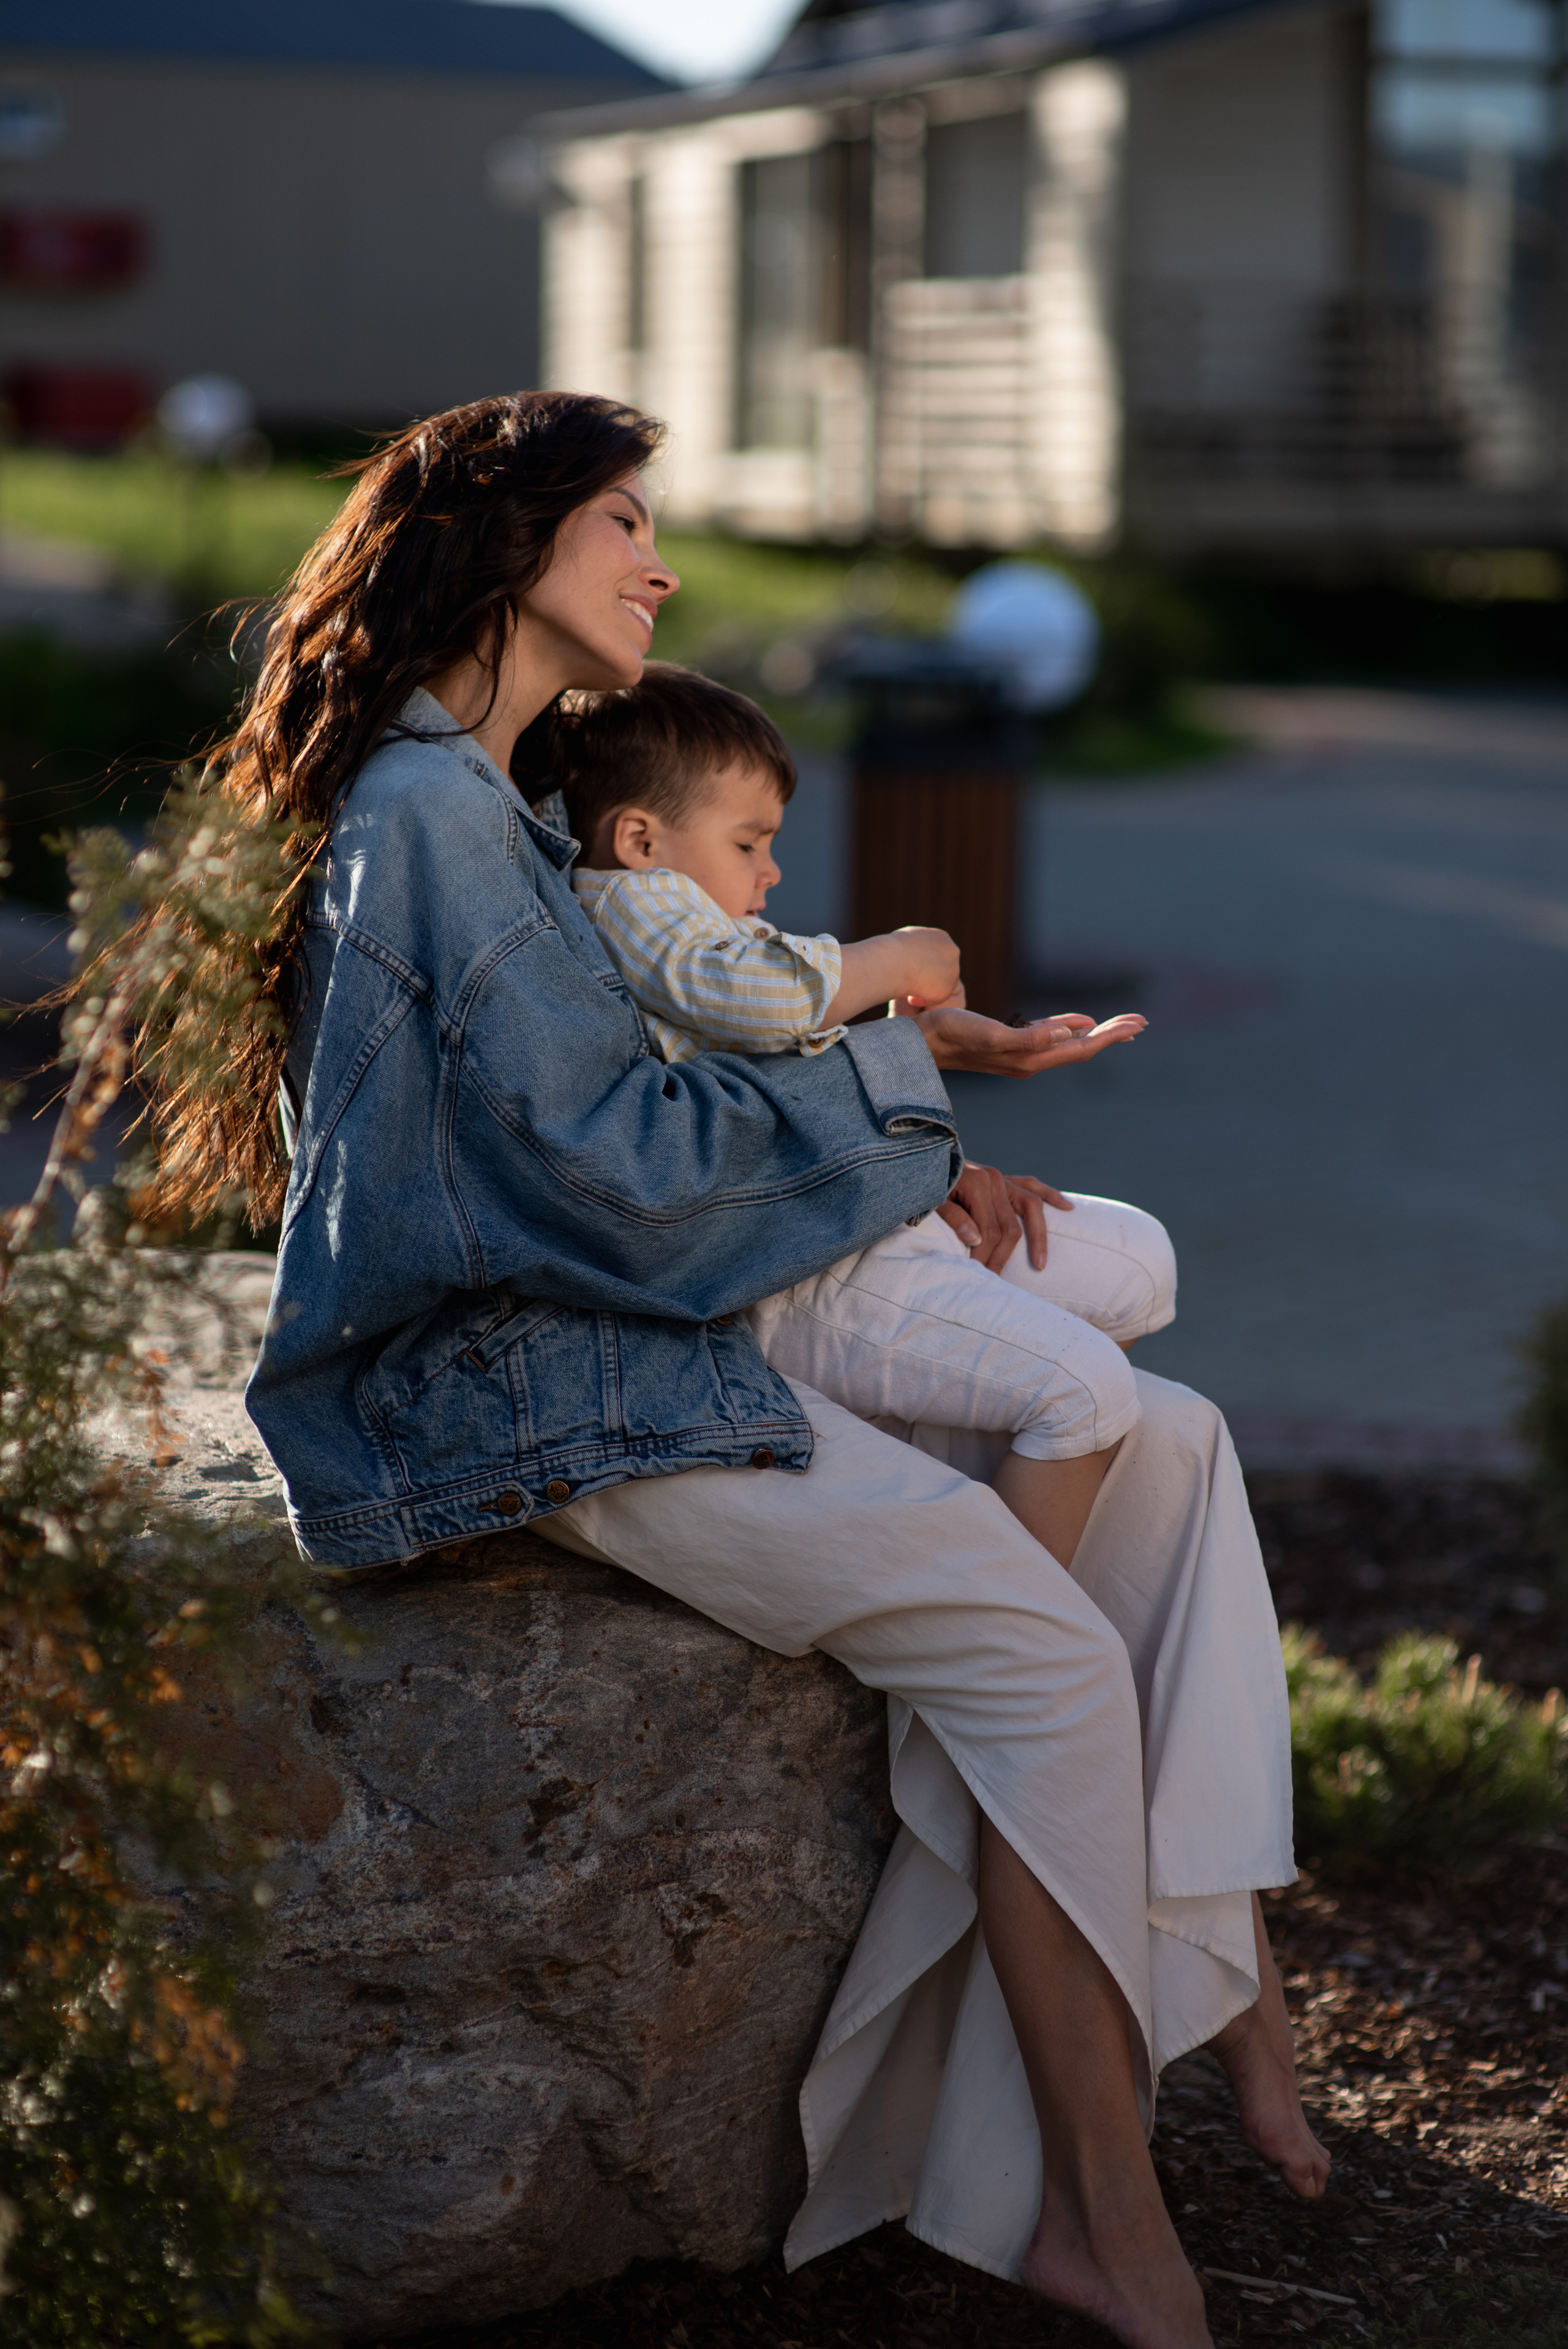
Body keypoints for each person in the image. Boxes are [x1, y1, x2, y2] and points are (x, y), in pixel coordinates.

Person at [153, 388, 1327, 2349]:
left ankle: (1192, 2013)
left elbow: (653, 1075)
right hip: (543, 1384)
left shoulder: (494, 804)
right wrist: (890, 1086)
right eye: (624, 520)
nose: (662, 563)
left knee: (1176, 1442)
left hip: (647, 1326)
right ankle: (1102, 2222)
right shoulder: (431, 814)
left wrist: (914, 1112)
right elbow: (614, 1180)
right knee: (1045, 1658)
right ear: (509, 540)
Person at [548, 661, 1175, 1519]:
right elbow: (764, 997)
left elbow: (783, 1039)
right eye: (748, 844)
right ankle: (1016, 1580)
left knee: (1141, 1261)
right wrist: (901, 954)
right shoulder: (632, 899)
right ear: (640, 840)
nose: (770, 871)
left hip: (840, 1209)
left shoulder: (685, 924)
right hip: (795, 1253)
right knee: (1088, 1390)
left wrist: (912, 1049)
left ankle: (987, 1457)